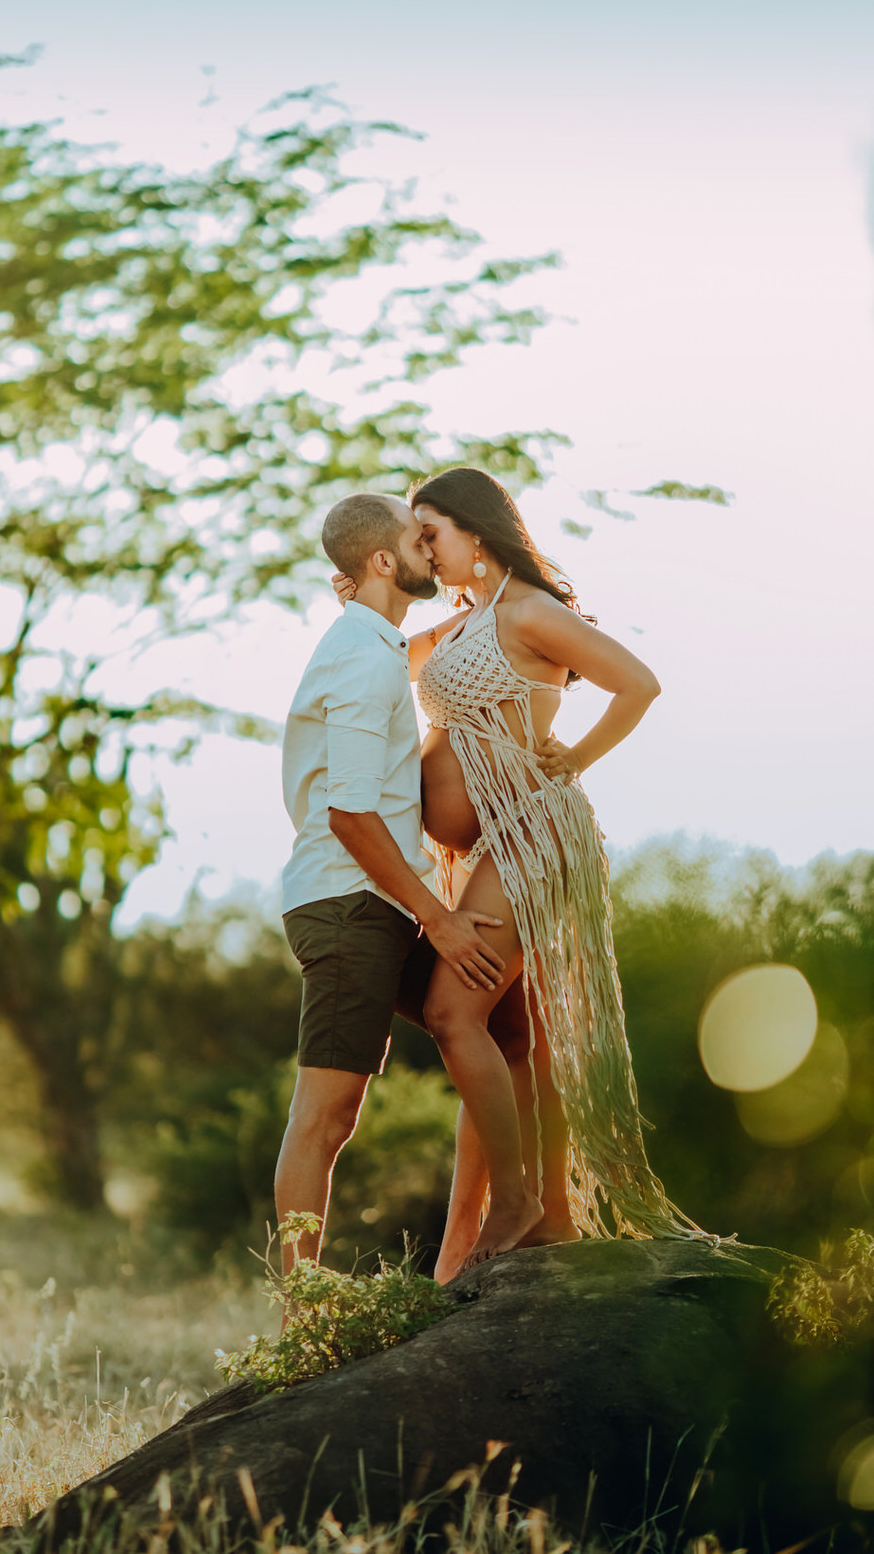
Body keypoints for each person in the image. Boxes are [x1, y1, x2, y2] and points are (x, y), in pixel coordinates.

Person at [405, 466, 705, 1264]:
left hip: (533, 832)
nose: (423, 549)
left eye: (429, 531)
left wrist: (573, 758)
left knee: (450, 1012)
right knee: (521, 1038)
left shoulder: (532, 613)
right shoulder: (462, 625)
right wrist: (370, 581)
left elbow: (638, 683)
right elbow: (383, 660)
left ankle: (519, 1202)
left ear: (476, 530)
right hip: (494, 846)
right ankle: (555, 1214)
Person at [273, 492, 512, 1271]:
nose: (430, 551)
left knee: (502, 1027)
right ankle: (298, 1319)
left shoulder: (371, 644)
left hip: (378, 903)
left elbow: (430, 646)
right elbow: (350, 815)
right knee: (327, 1115)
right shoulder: (361, 658)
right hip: (350, 903)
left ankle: (493, 1230)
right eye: (418, 539)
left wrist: (495, 611)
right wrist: (438, 917)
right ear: (384, 561)